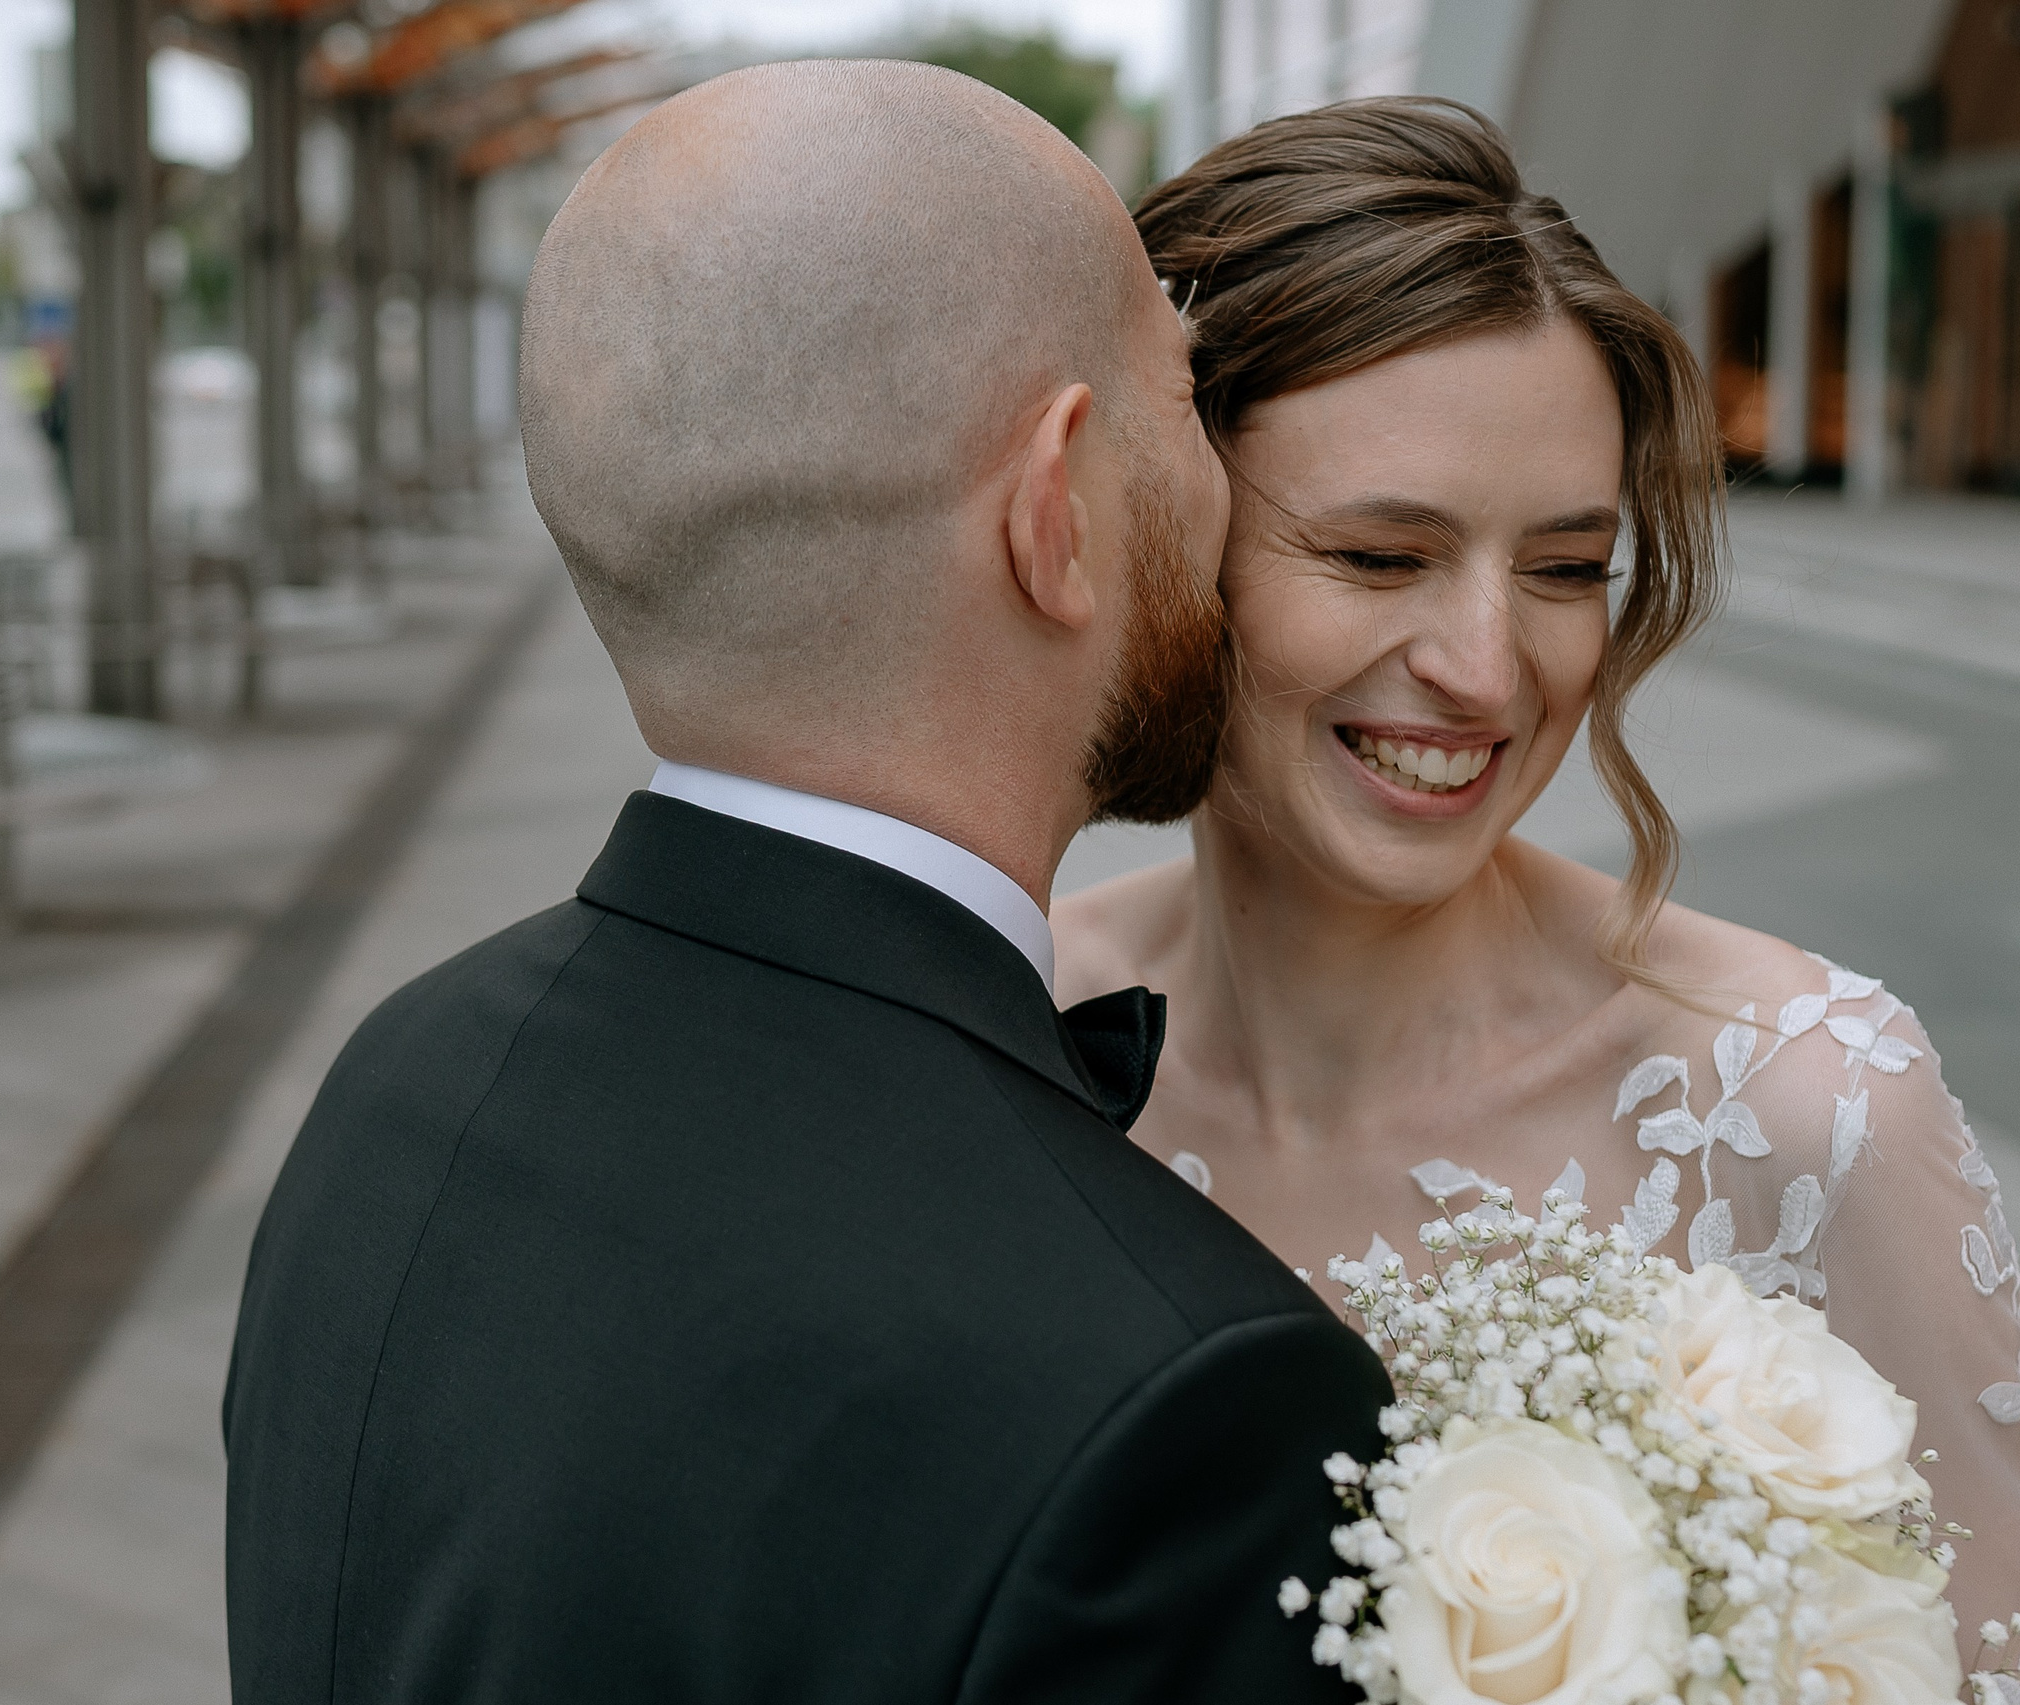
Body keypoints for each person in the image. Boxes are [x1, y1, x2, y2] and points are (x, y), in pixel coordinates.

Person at [224, 62, 1387, 1703]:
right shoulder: (1183, 1396)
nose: (1227, 495)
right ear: (1054, 509)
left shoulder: (390, 1088)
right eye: (1186, 401)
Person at [1055, 98, 2020, 1702]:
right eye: (1378, 555)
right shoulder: (1015, 1023)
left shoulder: (1804, 1109)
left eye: (1566, 568)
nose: (1491, 670)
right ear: (1166, 533)